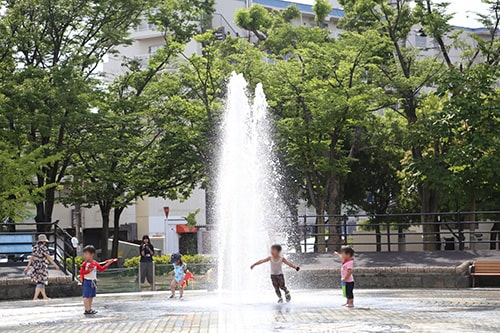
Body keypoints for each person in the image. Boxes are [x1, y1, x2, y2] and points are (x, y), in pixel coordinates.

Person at [23, 234, 60, 300]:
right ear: (43, 241)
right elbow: (49, 258)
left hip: (35, 266)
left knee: (41, 281)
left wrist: (27, 267)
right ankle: (35, 297)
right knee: (41, 282)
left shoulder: (35, 247)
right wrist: (55, 265)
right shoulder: (44, 248)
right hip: (42, 267)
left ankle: (44, 296)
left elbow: (31, 258)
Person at [79, 245, 113, 315]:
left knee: (91, 295)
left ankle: (89, 308)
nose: (85, 256)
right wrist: (88, 271)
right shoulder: (85, 264)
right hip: (87, 281)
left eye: (86, 254)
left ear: (92, 254)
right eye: (84, 254)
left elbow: (101, 269)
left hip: (93, 281)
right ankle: (86, 309)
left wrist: (107, 264)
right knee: (86, 296)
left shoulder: (95, 263)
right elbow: (81, 272)